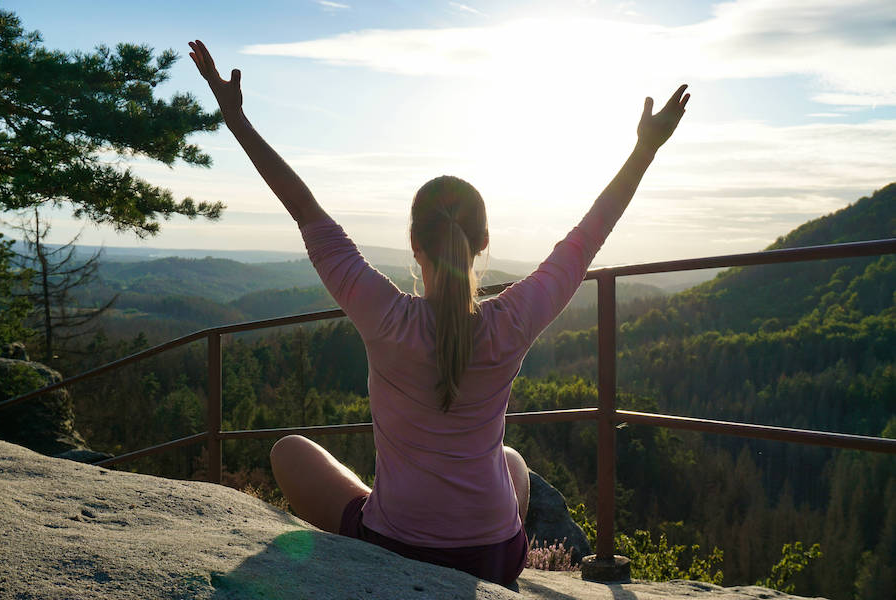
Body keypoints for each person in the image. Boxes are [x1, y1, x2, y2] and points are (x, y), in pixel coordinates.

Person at [188, 39, 689, 587]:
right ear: (483, 244)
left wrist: (236, 119)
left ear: (413, 244)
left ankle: (386, 512)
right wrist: (645, 149)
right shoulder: (512, 321)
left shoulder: (384, 315)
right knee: (513, 463)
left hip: (396, 545)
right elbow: (586, 239)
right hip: (495, 554)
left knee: (289, 451)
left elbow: (304, 210)